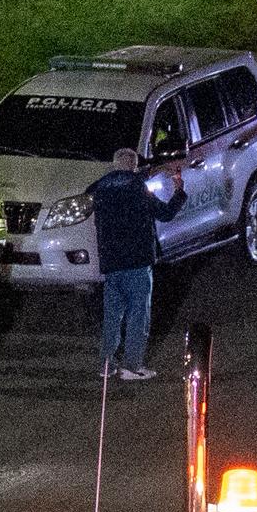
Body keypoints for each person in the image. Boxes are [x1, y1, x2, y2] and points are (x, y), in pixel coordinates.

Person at [86, 147, 171, 384]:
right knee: (138, 316)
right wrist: (180, 193)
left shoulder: (100, 189)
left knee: (112, 317)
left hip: (111, 263)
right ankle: (132, 366)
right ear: (134, 166)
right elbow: (165, 214)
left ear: (115, 165)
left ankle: (107, 364)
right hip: (137, 262)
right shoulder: (139, 187)